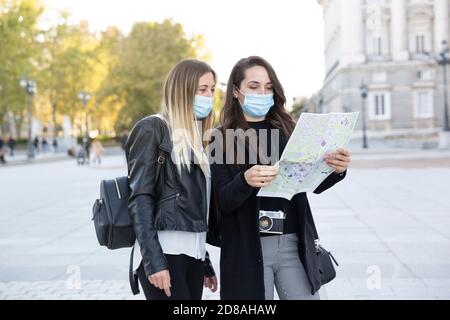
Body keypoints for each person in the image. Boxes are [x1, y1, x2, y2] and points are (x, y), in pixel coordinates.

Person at [210, 56, 351, 300]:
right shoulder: (220, 138)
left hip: (293, 243)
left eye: (268, 87)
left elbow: (312, 183)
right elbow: (222, 200)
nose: (262, 93)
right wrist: (245, 180)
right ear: (235, 91)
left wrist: (336, 168)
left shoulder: (289, 129)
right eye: (254, 87)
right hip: (247, 247)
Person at [125, 59, 220, 300]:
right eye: (202, 90)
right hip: (165, 253)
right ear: (182, 90)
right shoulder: (153, 128)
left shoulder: (197, 139)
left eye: (211, 90)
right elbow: (140, 198)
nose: (209, 96)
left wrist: (204, 258)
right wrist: (154, 260)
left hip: (193, 255)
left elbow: (192, 206)